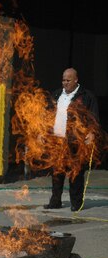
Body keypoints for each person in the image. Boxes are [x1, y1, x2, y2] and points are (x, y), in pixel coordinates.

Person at [43, 67, 99, 212]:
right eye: (63, 80)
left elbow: (94, 118)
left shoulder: (86, 96)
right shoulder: (56, 95)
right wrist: (43, 132)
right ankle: (55, 201)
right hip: (57, 140)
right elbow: (48, 116)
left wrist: (92, 133)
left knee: (75, 173)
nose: (65, 83)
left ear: (76, 80)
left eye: (68, 80)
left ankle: (76, 203)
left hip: (75, 141)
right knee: (57, 172)